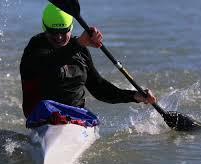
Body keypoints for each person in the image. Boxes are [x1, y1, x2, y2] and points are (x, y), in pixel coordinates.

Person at [20, 3, 156, 124]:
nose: (59, 37)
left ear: (71, 27)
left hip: (75, 115)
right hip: (42, 115)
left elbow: (98, 88)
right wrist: (79, 43)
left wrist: (133, 96)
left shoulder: (80, 50)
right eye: (53, 32)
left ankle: (71, 122)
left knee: (91, 117)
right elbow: (47, 65)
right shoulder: (35, 47)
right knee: (46, 106)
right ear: (44, 28)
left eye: (63, 31)